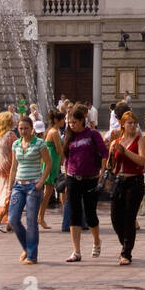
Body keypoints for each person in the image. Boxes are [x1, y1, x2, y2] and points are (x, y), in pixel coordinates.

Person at [62, 104, 107, 261]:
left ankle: (96, 241)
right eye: (69, 122)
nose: (71, 125)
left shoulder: (92, 134)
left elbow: (104, 152)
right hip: (73, 178)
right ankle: (76, 251)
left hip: (90, 179)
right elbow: (67, 158)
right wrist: (66, 173)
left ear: (82, 121)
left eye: (74, 122)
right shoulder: (69, 136)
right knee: (74, 214)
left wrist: (102, 171)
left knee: (90, 214)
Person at [7, 115, 50, 265]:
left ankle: (32, 255)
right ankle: (26, 247)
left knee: (31, 220)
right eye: (21, 128)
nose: (23, 131)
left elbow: (48, 164)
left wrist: (41, 182)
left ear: (32, 129)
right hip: (19, 185)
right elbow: (13, 167)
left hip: (33, 185)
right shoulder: (16, 144)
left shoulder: (40, 143)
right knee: (13, 219)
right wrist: (9, 187)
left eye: (26, 128)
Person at [109, 110, 145, 264]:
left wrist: (125, 152)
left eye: (134, 123)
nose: (132, 125)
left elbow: (142, 160)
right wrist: (112, 152)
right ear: (123, 125)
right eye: (129, 123)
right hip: (119, 181)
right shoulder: (116, 141)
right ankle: (125, 242)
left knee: (129, 218)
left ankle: (126, 253)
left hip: (135, 182)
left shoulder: (140, 140)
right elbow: (111, 166)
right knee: (115, 218)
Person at [0, 111, 17, 233]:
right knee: (10, 193)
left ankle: (9, 221)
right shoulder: (10, 135)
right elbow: (18, 149)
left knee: (4, 192)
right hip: (10, 166)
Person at [38, 108, 65, 229]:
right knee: (47, 192)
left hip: (53, 163)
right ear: (56, 120)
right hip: (52, 163)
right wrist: (65, 158)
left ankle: (40, 217)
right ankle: (40, 217)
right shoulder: (54, 132)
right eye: (62, 119)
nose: (64, 121)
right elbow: (59, 149)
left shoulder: (52, 131)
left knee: (49, 192)